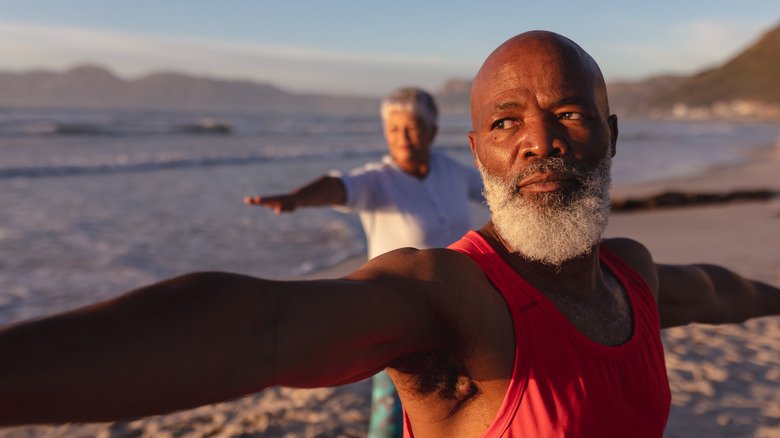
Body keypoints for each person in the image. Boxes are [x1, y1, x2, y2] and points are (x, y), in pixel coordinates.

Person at [1, 31, 779, 437]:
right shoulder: (451, 297)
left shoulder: (629, 273)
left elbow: (717, 290)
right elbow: (262, 324)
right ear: (479, 152)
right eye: (506, 122)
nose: (538, 139)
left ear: (609, 134)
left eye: (567, 113)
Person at [243, 87, 483, 437]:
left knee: (460, 410)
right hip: (398, 317)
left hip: (457, 310)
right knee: (390, 416)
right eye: (393, 129)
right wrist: (297, 198)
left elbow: (495, 191)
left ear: (432, 130)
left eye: (412, 127)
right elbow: (339, 186)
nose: (402, 137)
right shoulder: (379, 180)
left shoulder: (452, 172)